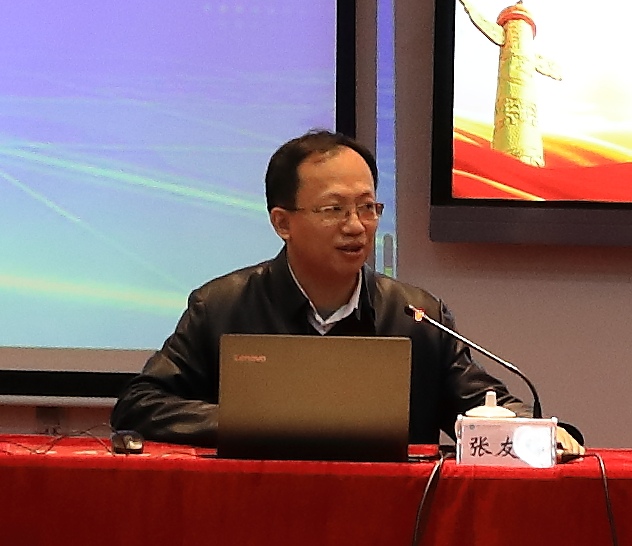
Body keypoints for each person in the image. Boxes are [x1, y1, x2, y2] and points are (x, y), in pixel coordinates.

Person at [111, 130, 584, 455]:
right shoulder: (223, 306)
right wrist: (254, 422)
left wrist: (541, 430)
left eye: (367, 207)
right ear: (282, 222)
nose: (356, 226)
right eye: (333, 209)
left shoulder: (415, 314)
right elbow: (141, 405)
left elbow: (482, 406)